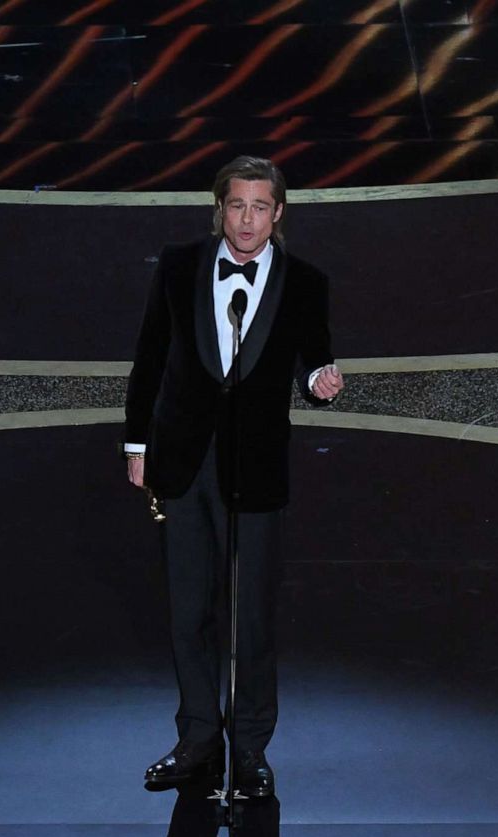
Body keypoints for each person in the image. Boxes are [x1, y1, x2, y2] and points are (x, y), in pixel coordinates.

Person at [124, 156, 343, 795]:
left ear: (279, 214)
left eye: (259, 207)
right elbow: (150, 357)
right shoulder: (178, 265)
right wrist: (137, 444)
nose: (246, 220)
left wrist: (320, 382)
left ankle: (249, 751)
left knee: (251, 621)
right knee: (188, 612)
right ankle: (196, 740)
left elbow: (313, 358)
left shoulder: (305, 281)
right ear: (219, 209)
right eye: (236, 206)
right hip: (183, 466)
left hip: (257, 473)